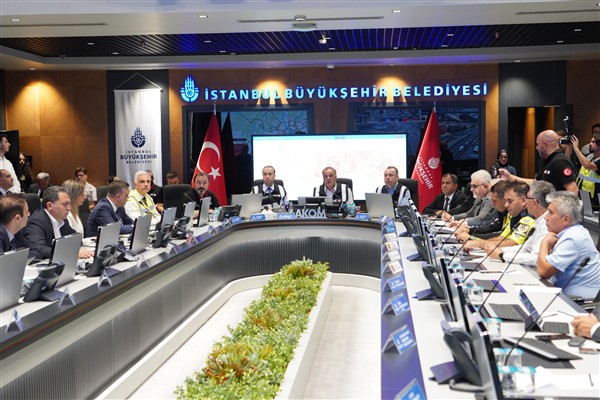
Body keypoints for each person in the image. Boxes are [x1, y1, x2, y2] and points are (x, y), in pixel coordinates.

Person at [538, 191, 600, 298]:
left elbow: (543, 272)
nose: (546, 217)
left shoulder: (572, 238)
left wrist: (544, 242)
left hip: (579, 301)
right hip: (568, 295)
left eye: (550, 213)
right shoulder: (572, 232)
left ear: (566, 219)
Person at [485, 180, 555, 266]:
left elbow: (536, 259)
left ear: (534, 202)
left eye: (527, 198)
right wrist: (498, 250)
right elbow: (525, 249)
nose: (506, 205)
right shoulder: (539, 220)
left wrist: (502, 255)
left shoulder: (548, 224)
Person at [24, 186, 93, 259]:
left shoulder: (62, 218)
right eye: (65, 204)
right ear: (49, 206)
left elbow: (76, 239)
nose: (69, 208)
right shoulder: (36, 222)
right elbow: (39, 249)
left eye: (69, 204)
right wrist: (70, 253)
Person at [463, 181, 535, 251]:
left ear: (523, 201)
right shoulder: (515, 215)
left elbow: (512, 243)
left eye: (510, 201)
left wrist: (478, 243)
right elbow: (503, 238)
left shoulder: (529, 218)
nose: (506, 205)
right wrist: (476, 241)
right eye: (506, 200)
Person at [499, 130, 578, 193]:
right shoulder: (544, 161)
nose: (536, 148)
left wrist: (556, 207)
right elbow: (535, 183)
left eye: (537, 144)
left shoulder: (560, 161)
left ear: (545, 144)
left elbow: (573, 190)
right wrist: (510, 177)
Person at [571, 133, 600, 210]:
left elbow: (588, 165)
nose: (590, 144)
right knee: (585, 215)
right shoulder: (589, 156)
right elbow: (569, 159)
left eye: (593, 142)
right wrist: (569, 147)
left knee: (594, 217)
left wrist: (576, 148)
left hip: (596, 198)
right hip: (584, 194)